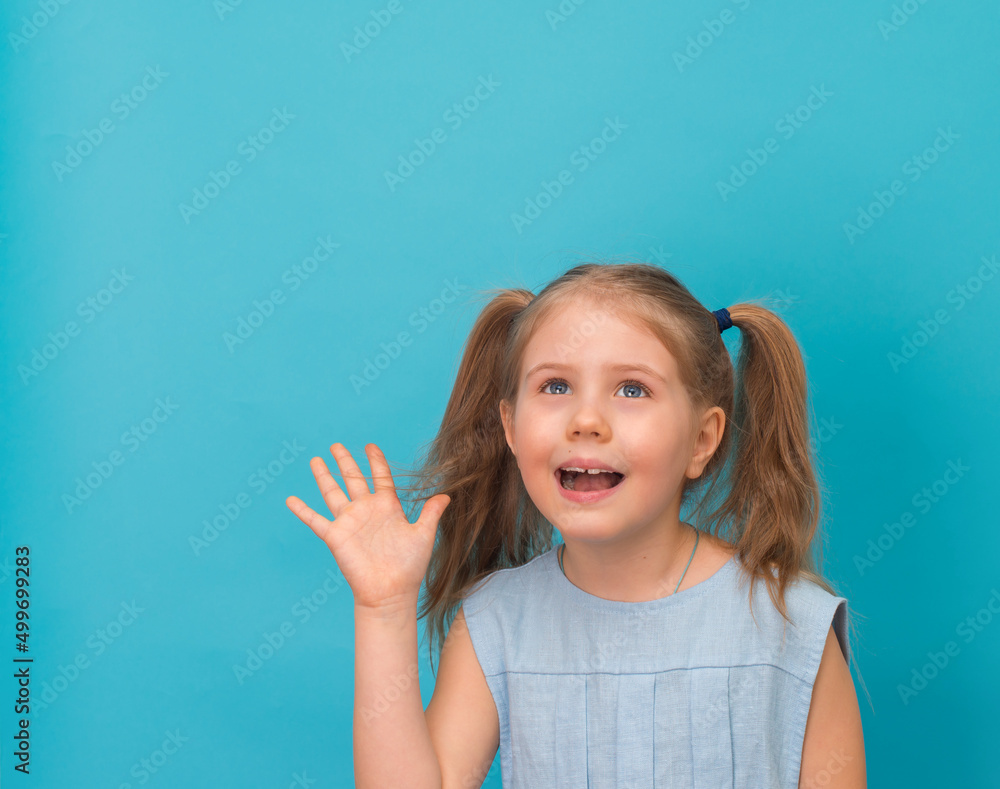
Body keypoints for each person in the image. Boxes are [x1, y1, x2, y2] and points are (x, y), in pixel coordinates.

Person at [286, 261, 869, 788]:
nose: (586, 419)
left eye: (632, 388)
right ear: (511, 430)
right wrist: (384, 609)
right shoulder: (497, 621)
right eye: (555, 386)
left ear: (702, 439)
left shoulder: (791, 624)